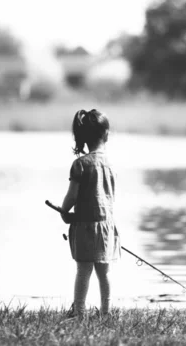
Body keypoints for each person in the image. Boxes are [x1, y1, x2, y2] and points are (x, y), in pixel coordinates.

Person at [60, 109, 121, 318]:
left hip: (85, 226)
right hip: (106, 227)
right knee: (104, 273)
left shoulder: (80, 164)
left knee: (83, 272)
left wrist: (64, 211)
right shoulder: (111, 164)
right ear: (105, 134)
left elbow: (72, 197)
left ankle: (79, 312)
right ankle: (106, 312)